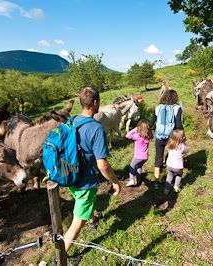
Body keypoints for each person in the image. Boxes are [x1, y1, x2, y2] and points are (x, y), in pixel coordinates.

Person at [63, 86, 121, 252]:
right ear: (96, 103)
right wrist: (115, 182)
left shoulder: (72, 120)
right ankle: (59, 257)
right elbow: (102, 164)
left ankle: (92, 220)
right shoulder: (96, 128)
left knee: (84, 201)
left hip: (70, 174)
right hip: (85, 182)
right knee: (75, 225)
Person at [149, 89, 183, 190]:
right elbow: (178, 125)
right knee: (172, 155)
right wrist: (182, 136)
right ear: (175, 98)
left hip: (159, 137)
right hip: (171, 138)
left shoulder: (158, 108)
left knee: (158, 158)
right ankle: (171, 179)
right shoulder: (177, 108)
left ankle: (156, 182)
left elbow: (151, 124)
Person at [125, 119, 153, 187]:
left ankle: (132, 180)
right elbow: (151, 135)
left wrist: (135, 129)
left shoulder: (137, 136)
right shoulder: (148, 136)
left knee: (132, 166)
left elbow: (127, 135)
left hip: (138, 157)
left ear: (139, 128)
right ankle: (138, 180)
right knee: (139, 167)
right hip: (145, 157)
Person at [164, 129, 188, 195]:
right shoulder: (182, 147)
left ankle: (166, 190)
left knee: (169, 176)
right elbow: (186, 151)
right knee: (179, 175)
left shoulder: (170, 145)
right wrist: (184, 143)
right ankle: (176, 187)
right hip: (178, 166)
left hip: (169, 165)